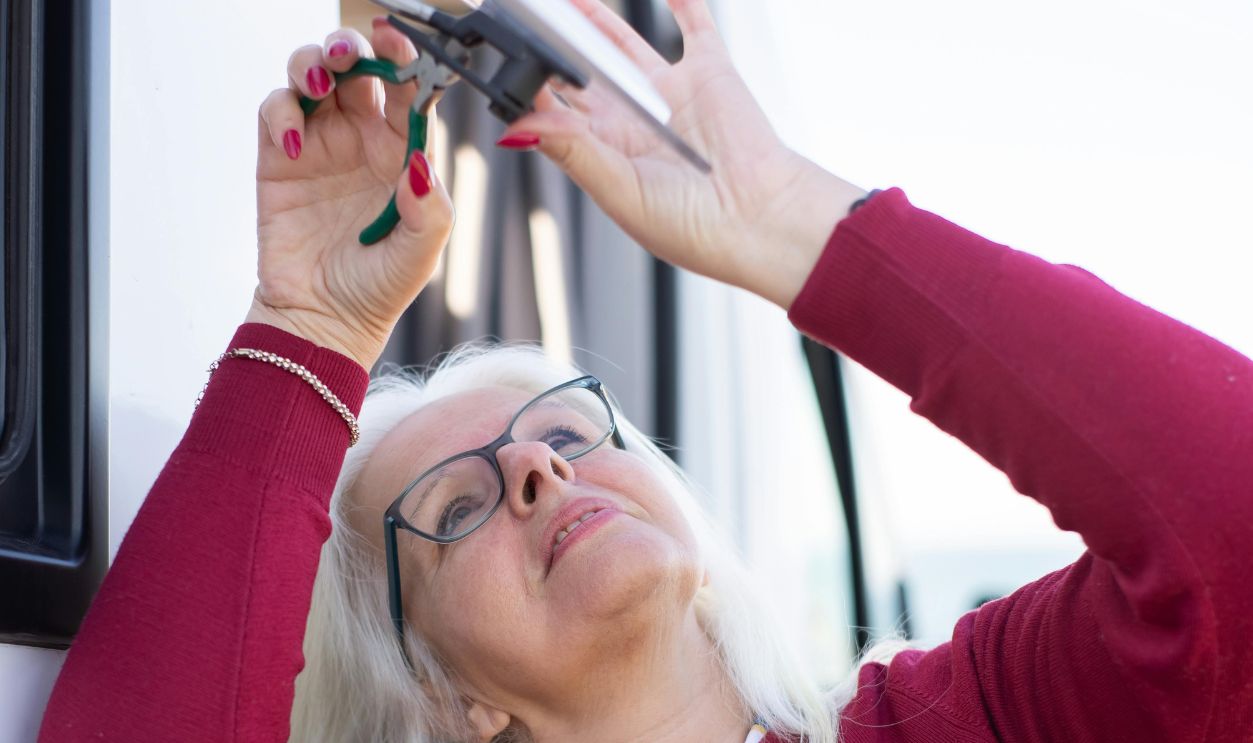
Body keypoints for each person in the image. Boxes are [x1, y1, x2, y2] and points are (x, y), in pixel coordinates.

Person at [38, 0, 1252, 741]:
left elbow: (1230, 521)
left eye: (568, 435)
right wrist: (304, 340)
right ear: (451, 697)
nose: (531, 465)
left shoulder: (955, 718)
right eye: (454, 507)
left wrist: (790, 225)